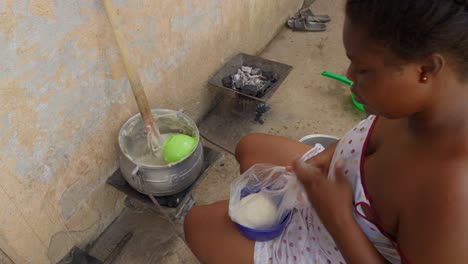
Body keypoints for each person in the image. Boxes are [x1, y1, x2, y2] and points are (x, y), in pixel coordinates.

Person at [183, 0, 468, 263]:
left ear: (426, 69)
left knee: (197, 223)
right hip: (335, 197)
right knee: (250, 146)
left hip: (337, 244)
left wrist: (338, 217)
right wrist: (331, 155)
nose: (348, 76)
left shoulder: (451, 196)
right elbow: (374, 136)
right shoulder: (420, 104)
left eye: (364, 69)